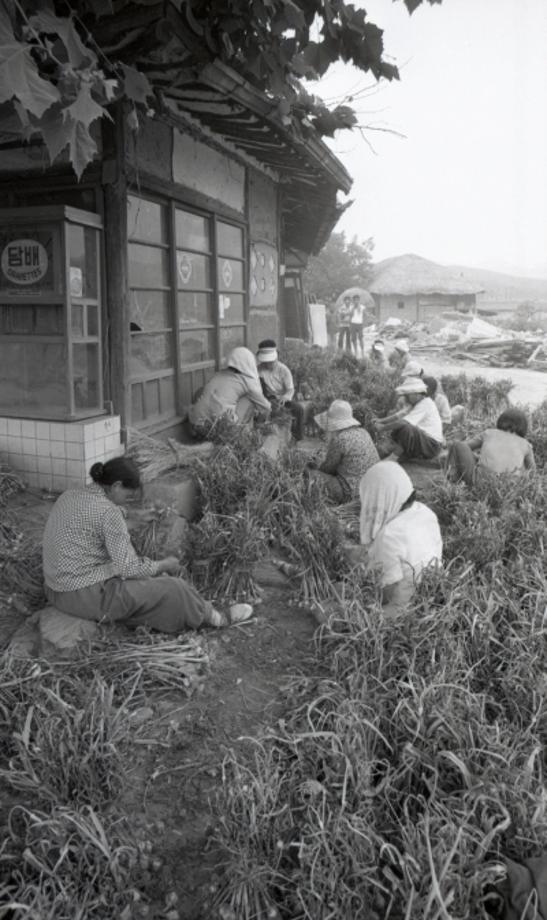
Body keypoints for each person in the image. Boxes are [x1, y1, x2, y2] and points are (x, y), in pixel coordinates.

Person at [42, 457, 252, 633]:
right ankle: (216, 619)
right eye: (128, 496)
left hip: (55, 589)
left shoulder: (73, 494)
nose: (127, 502)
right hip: (80, 595)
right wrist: (164, 564)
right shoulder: (109, 513)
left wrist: (135, 517)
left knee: (147, 587)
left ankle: (172, 610)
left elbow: (98, 522)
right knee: (172, 587)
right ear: (115, 486)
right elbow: (129, 568)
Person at [357, 461, 442, 618]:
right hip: (433, 588)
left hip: (403, 607)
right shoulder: (425, 512)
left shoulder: (388, 535)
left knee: (343, 605)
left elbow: (387, 592)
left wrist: (363, 586)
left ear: (380, 499)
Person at [188, 346, 270, 433]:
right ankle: (247, 432)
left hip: (196, 426)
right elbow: (266, 408)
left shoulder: (218, 375)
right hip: (220, 429)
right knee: (250, 400)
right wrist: (261, 421)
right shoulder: (247, 381)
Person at [309, 399, 379, 502]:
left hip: (351, 492)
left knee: (310, 473)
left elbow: (328, 469)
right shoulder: (363, 431)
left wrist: (317, 464)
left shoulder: (340, 439)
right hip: (371, 487)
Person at [446, 408, 535, 486]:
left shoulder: (489, 433)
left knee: (457, 445)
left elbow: (465, 447)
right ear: (523, 427)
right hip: (508, 489)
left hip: (479, 482)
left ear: (501, 420)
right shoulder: (526, 445)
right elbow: (533, 473)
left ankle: (453, 480)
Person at [377, 377, 443, 462]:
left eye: (408, 395)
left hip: (432, 446)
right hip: (424, 440)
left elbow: (404, 422)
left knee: (406, 428)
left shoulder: (426, 403)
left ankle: (394, 457)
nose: (406, 398)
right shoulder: (414, 403)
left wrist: (382, 428)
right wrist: (380, 421)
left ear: (416, 394)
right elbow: (398, 416)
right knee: (401, 426)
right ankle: (397, 450)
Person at [256, 338, 311, 440]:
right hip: (265, 399)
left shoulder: (283, 370)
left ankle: (297, 437)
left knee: (299, 409)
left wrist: (285, 397)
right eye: (266, 362)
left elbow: (290, 389)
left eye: (271, 361)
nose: (269, 364)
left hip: (281, 399)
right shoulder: (258, 370)